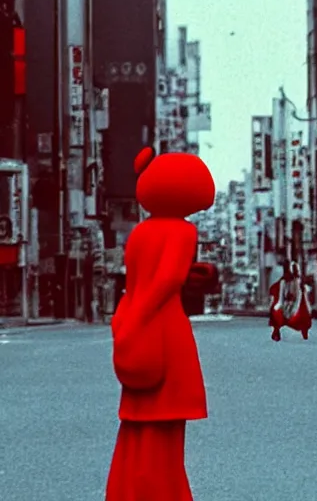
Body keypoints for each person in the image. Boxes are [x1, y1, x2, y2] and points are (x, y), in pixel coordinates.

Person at [106, 147, 214, 501]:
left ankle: (127, 492)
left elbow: (132, 282)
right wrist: (145, 314)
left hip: (134, 323)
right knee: (167, 429)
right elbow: (169, 279)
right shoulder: (183, 232)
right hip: (164, 327)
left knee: (136, 426)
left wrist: (128, 320)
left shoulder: (139, 233)